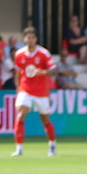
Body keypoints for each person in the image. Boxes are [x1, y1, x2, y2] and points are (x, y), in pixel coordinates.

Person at [11, 27, 57, 157]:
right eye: (27, 38)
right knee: (20, 114)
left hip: (41, 91)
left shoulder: (43, 53)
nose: (30, 40)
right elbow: (18, 72)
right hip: (25, 89)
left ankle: (52, 144)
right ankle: (19, 148)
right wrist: (18, 88)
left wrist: (42, 72)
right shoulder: (19, 54)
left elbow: (55, 70)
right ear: (24, 39)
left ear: (36, 39)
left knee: (45, 120)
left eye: (32, 38)